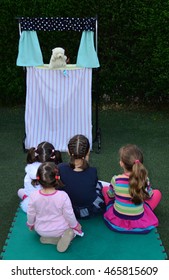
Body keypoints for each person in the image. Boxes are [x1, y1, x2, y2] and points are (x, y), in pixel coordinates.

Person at [102, 144, 162, 233]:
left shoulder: (116, 179)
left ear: (121, 163)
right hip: (138, 219)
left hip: (118, 219)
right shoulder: (144, 179)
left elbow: (110, 196)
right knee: (157, 193)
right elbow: (149, 196)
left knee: (104, 189)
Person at [27, 162, 82, 252]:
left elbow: (31, 213)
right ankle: (66, 236)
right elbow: (69, 214)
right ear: (57, 178)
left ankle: (51, 238)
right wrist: (75, 225)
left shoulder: (34, 196)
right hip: (60, 229)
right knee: (73, 231)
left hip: (41, 230)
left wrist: (30, 224)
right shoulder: (63, 196)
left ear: (38, 179)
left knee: (41, 225)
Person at [58, 134, 105, 219]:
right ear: (87, 152)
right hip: (87, 209)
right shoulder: (92, 171)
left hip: (67, 209)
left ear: (68, 151)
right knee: (100, 187)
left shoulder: (60, 168)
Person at [18, 141, 62, 213]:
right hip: (51, 205)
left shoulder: (30, 170)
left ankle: (26, 200)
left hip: (31, 205)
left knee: (20, 191)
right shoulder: (55, 169)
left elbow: (27, 188)